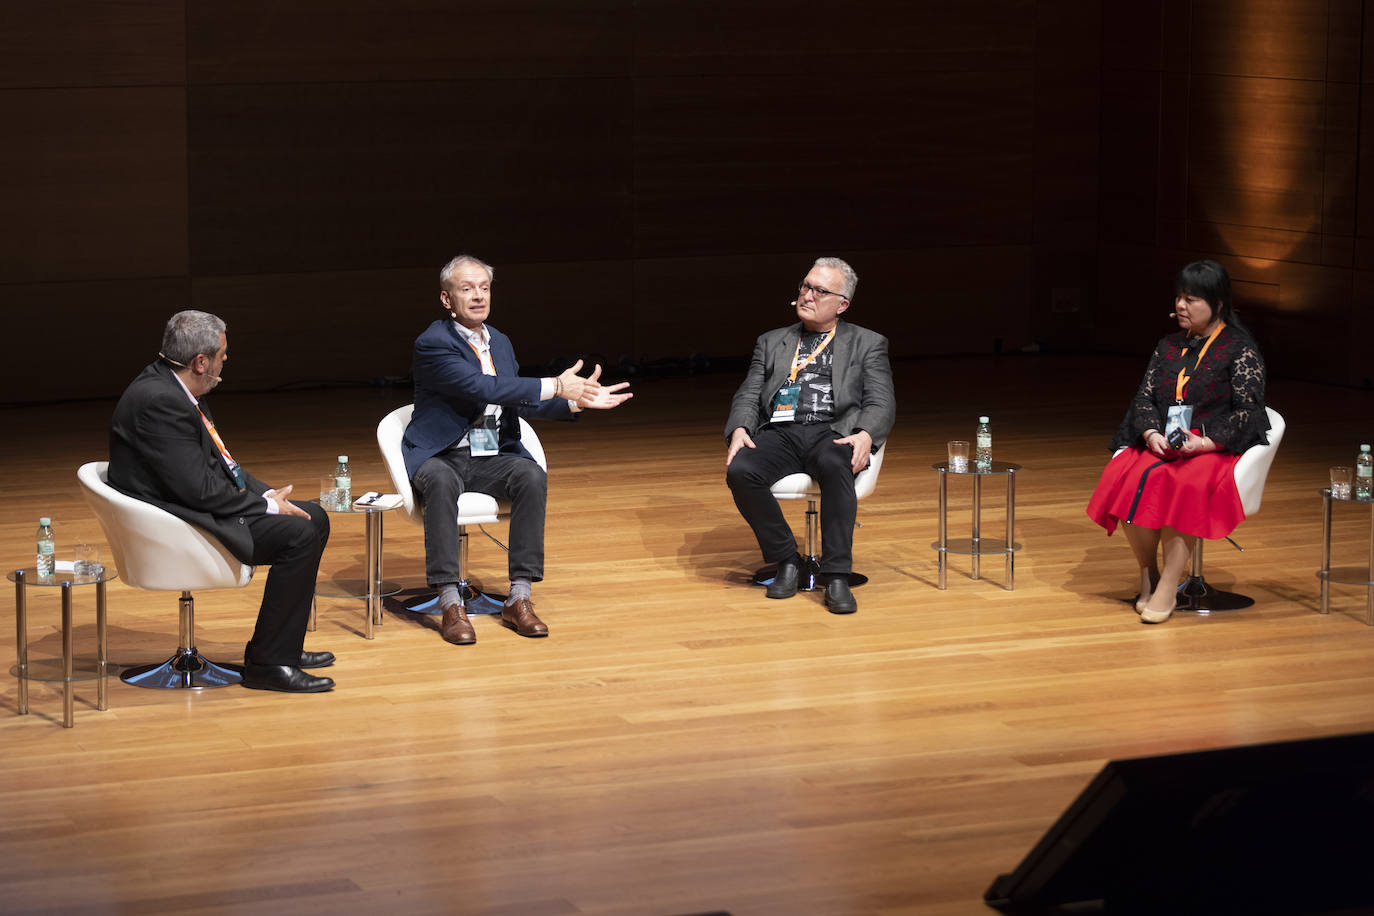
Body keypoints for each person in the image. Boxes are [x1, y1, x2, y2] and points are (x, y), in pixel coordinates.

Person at [404, 254, 632, 645]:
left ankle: (519, 599)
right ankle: (449, 602)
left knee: (529, 474)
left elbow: (514, 397)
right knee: (441, 481)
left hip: (487, 453)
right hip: (440, 454)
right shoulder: (433, 343)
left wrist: (577, 401)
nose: (477, 296)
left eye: (484, 288)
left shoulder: (501, 342)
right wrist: (556, 384)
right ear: (447, 299)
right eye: (466, 289)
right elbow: (481, 388)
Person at [109, 311, 336, 692]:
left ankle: (282, 647)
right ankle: (269, 665)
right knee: (297, 534)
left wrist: (266, 493)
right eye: (221, 354)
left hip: (192, 502)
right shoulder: (159, 403)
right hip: (177, 522)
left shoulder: (177, 387)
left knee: (314, 517)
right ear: (201, 362)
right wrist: (267, 508)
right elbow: (197, 490)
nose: (225, 360)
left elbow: (222, 464)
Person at [1086, 260, 1270, 624]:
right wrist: (1152, 433)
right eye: (1180, 298)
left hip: (1212, 449)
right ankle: (1148, 572)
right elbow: (1144, 398)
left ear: (1217, 303)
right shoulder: (1168, 345)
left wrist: (1204, 443)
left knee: (1182, 484)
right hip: (1167, 443)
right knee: (1127, 477)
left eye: (1192, 299)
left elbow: (1249, 410)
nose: (1181, 306)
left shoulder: (1239, 349)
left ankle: (1170, 584)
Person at [725, 256, 895, 614]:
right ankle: (787, 560)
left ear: (842, 304)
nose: (808, 295)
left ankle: (835, 575)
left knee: (837, 466)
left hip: (832, 431)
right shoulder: (771, 341)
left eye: (820, 290)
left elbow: (881, 402)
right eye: (805, 286)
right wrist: (740, 427)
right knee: (741, 471)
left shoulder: (868, 343)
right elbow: (749, 393)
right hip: (782, 431)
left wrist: (865, 435)